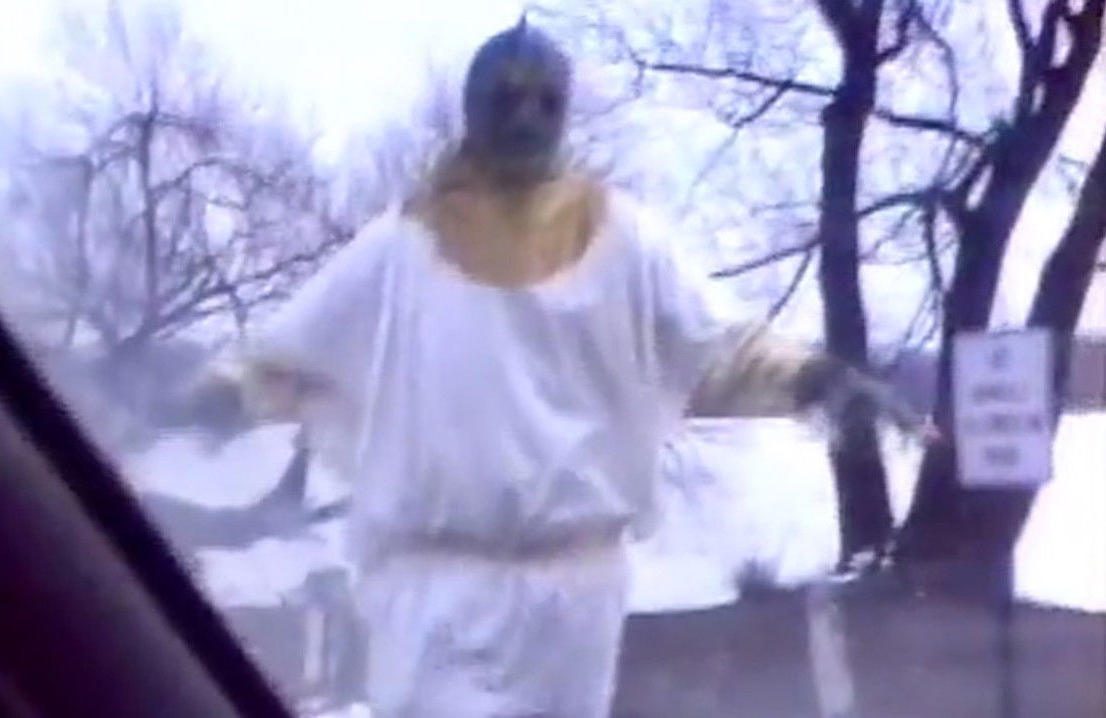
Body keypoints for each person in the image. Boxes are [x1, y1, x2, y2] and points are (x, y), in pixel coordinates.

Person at [190, 19, 928, 718]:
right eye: (505, 99)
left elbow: (716, 349)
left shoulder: (623, 239)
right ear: (472, 109)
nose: (525, 118)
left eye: (545, 101)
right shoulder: (402, 248)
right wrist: (222, 395)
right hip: (439, 588)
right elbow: (297, 355)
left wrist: (817, 378)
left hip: (576, 596)